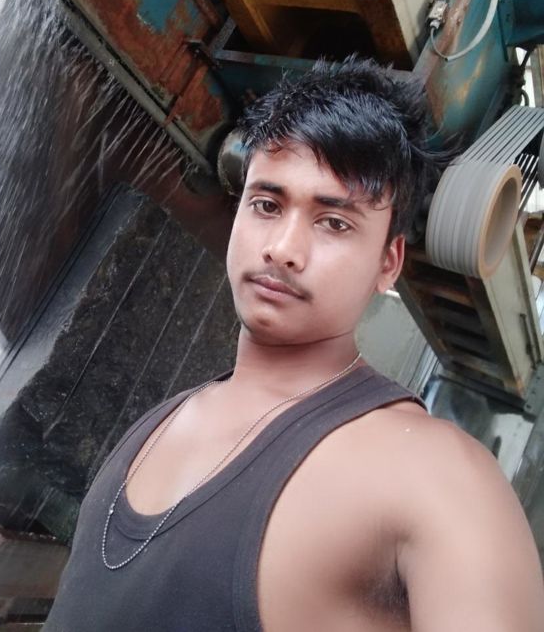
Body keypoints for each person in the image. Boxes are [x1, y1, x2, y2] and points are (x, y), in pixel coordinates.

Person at [45, 57, 544, 631]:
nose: (283, 249)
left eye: (334, 222)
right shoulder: (162, 420)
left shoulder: (435, 476)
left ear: (388, 263)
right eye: (267, 205)